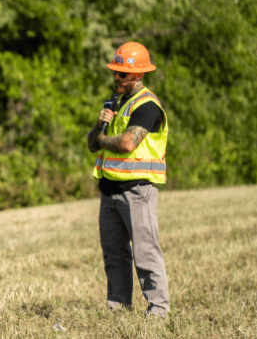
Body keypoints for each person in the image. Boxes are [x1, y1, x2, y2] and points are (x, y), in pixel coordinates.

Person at [86, 41, 170, 318]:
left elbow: (126, 143)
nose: (116, 78)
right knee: (113, 255)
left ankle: (158, 312)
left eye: (122, 74)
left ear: (139, 75)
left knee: (145, 254)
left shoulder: (148, 107)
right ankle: (118, 310)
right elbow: (91, 144)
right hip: (110, 190)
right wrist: (99, 125)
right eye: (115, 72)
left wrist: (102, 139)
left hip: (138, 191)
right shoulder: (113, 103)